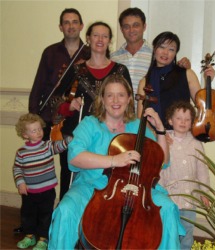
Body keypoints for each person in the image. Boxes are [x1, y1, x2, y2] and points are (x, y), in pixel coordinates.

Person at [48, 74, 185, 250]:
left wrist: (160, 129)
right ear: (102, 99)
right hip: (93, 187)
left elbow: (162, 162)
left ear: (129, 99)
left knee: (166, 208)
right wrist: (114, 160)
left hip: (135, 189)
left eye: (121, 95)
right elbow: (74, 157)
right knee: (65, 210)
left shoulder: (137, 125)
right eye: (110, 95)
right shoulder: (90, 124)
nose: (115, 100)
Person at [55, 21, 133, 189]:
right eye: (96, 35)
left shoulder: (120, 70)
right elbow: (57, 101)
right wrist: (69, 105)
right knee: (71, 189)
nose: (100, 39)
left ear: (109, 40)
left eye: (105, 36)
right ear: (88, 38)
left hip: (112, 139)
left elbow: (129, 105)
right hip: (78, 136)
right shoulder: (75, 69)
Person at [28, 8, 90, 204]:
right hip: (47, 116)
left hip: (74, 119)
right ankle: (32, 217)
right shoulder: (51, 52)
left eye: (74, 22)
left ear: (81, 25)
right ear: (60, 27)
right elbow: (39, 84)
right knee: (36, 165)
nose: (71, 26)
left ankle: (64, 210)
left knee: (68, 166)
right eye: (66, 22)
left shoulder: (89, 53)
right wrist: (33, 117)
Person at [13, 113, 72, 250]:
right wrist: (20, 182)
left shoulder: (47, 146)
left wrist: (68, 140)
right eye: (34, 130)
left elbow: (60, 146)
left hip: (47, 191)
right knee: (28, 215)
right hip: (29, 192)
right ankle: (29, 235)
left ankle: (43, 239)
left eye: (40, 129)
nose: (39, 132)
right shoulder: (21, 152)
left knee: (45, 216)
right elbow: (17, 169)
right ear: (25, 135)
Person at [111, 7, 191, 107]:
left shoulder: (157, 56)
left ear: (144, 26)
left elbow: (174, 79)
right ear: (121, 29)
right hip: (119, 116)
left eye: (136, 25)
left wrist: (185, 67)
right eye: (126, 26)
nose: (131, 30)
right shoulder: (113, 58)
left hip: (149, 116)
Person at [137, 31, 215, 129]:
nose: (165, 52)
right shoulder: (144, 82)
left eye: (171, 49)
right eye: (161, 47)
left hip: (182, 134)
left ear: (175, 53)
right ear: (154, 48)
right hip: (155, 137)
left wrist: (209, 81)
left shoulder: (187, 74)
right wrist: (158, 135)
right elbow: (141, 118)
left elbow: (203, 107)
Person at [159, 101, 210, 249]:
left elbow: (202, 170)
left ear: (192, 122)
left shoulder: (196, 143)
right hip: (170, 197)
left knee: (187, 231)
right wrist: (160, 192)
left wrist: (204, 193)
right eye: (179, 118)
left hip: (190, 198)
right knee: (170, 231)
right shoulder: (164, 140)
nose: (183, 122)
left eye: (187, 119)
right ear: (170, 120)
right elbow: (160, 169)